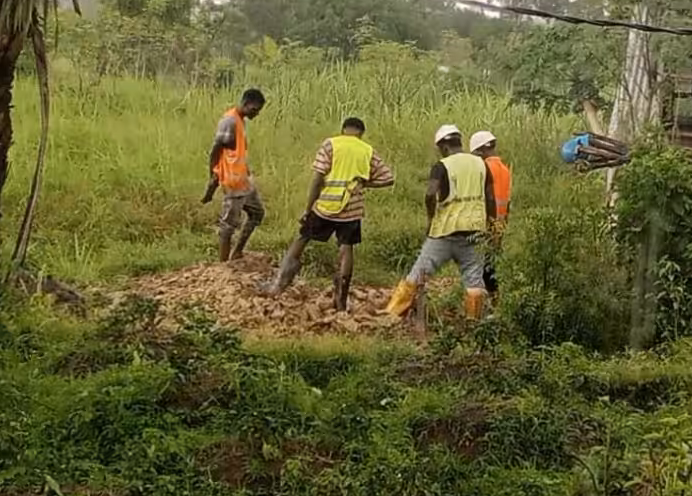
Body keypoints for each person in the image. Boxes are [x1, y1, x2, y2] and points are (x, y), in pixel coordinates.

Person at [262, 117, 394, 311]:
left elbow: (317, 179)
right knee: (346, 249)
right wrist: (364, 183)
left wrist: (308, 209)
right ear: (361, 133)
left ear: (343, 130)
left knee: (302, 239)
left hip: (325, 206)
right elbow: (388, 178)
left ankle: (278, 285)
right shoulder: (367, 150)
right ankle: (341, 301)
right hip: (352, 208)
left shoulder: (330, 145)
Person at [384, 124, 495, 321]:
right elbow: (491, 199)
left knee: (417, 275)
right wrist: (491, 228)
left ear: (443, 147)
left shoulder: (442, 166)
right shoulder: (481, 164)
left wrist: (430, 218)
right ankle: (474, 324)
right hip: (474, 233)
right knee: (474, 283)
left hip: (444, 233)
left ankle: (390, 317)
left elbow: (429, 194)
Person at [202, 88, 266, 261]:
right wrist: (212, 177)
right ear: (245, 103)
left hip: (243, 180)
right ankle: (223, 266)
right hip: (233, 182)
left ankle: (237, 252)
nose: (256, 114)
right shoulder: (229, 121)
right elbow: (215, 150)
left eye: (258, 111)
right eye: (254, 109)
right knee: (228, 226)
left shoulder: (240, 120)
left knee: (257, 213)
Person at [469, 130, 511, 300]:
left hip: (486, 224)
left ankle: (480, 307)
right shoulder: (505, 170)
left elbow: (487, 199)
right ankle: (495, 302)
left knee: (480, 268)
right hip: (500, 225)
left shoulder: (483, 168)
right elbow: (508, 202)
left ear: (480, 150)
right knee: (492, 267)